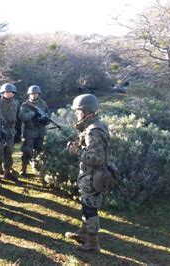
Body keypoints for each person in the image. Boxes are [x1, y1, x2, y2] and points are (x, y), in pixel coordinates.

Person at [65, 94, 109, 252]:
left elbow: (96, 158)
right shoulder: (94, 126)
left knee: (90, 209)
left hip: (92, 175)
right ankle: (84, 233)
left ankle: (93, 243)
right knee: (86, 204)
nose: (76, 114)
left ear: (87, 111)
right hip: (90, 174)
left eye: (78, 111)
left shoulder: (93, 131)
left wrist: (77, 151)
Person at [18, 85, 50, 177]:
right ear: (29, 94)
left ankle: (38, 170)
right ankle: (23, 169)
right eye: (32, 93)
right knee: (27, 151)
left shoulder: (43, 103)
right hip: (30, 132)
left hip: (41, 131)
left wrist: (46, 119)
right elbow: (22, 116)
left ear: (38, 94)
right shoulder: (25, 105)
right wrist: (33, 113)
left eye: (35, 93)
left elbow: (48, 113)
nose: (34, 95)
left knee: (39, 151)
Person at [0, 83, 20, 181]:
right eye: (6, 92)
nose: (8, 94)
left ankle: (7, 171)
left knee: (9, 151)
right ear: (3, 92)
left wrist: (18, 133)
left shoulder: (16, 103)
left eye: (10, 92)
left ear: (13, 93)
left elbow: (18, 118)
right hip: (1, 129)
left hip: (11, 130)